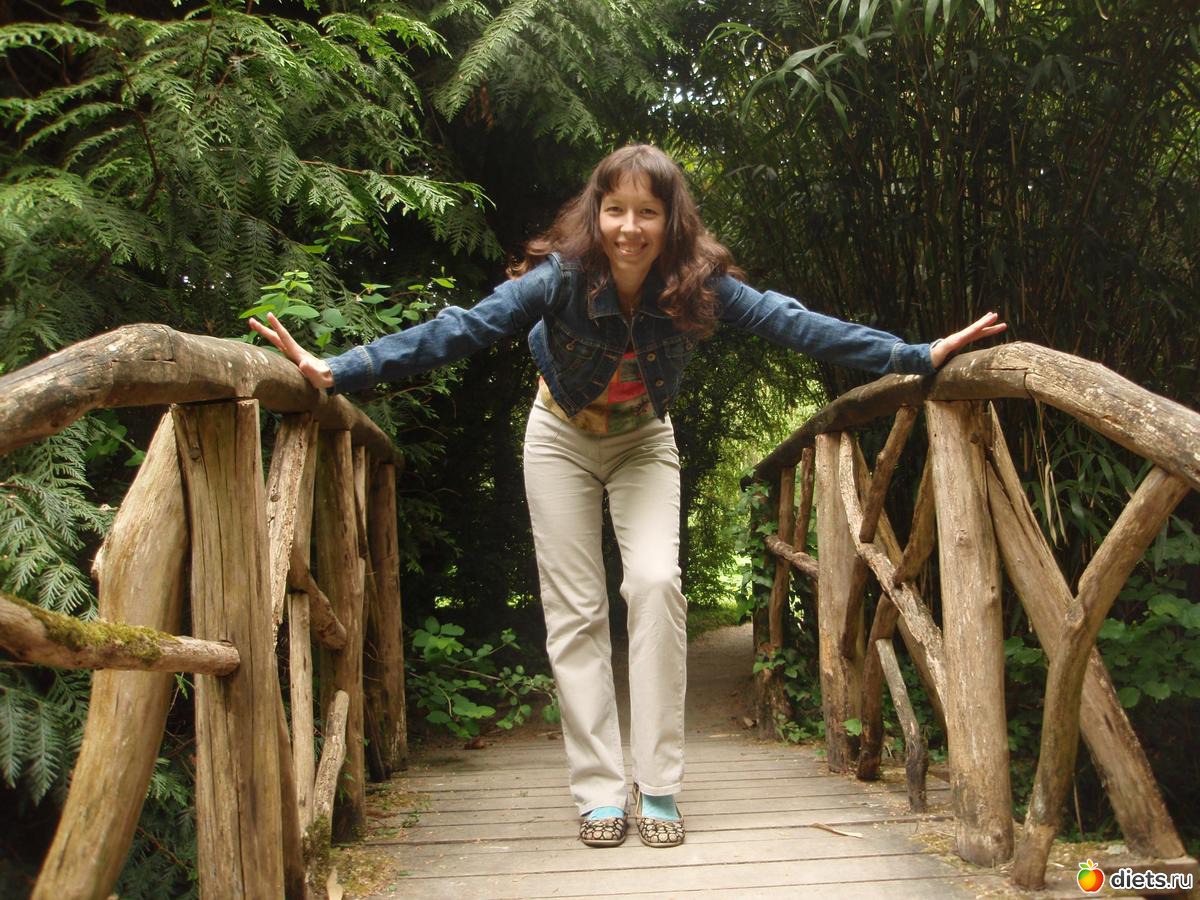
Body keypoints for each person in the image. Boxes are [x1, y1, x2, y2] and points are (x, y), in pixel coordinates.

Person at [249, 144, 1006, 850]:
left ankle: (660, 786)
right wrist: (342, 369)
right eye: (616, 210)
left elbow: (792, 321)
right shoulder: (560, 279)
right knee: (575, 611)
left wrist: (912, 355)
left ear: (672, 220)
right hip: (559, 436)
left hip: (645, 439)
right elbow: (466, 328)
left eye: (648, 211)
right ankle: (600, 793)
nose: (630, 228)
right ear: (597, 213)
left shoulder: (699, 284)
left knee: (654, 584)